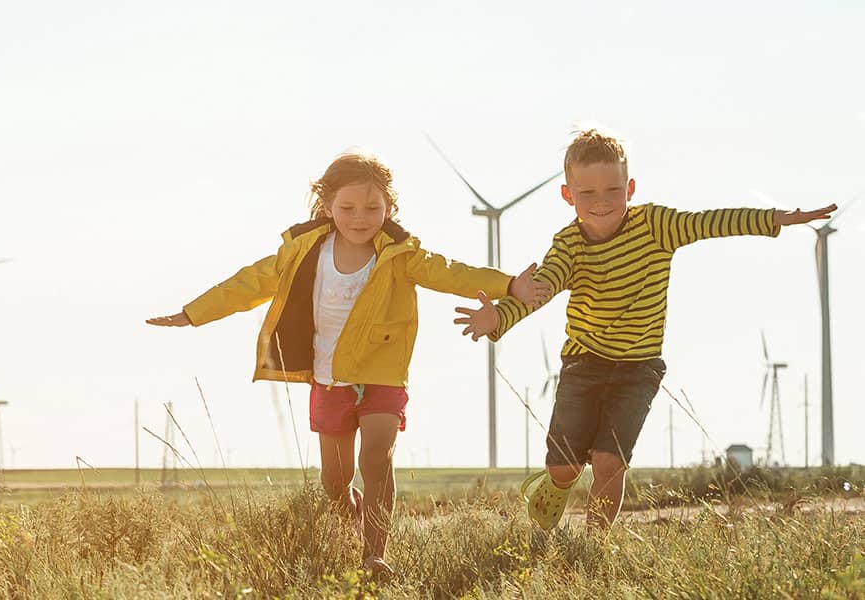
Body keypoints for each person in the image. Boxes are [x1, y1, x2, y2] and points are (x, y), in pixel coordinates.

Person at [147, 150, 547, 575]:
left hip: (382, 374)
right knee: (334, 484)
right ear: (328, 207)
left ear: (389, 207)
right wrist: (193, 313)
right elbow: (247, 282)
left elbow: (452, 273)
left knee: (375, 458)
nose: (361, 217)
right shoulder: (302, 250)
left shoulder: (400, 254)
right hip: (329, 377)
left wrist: (507, 284)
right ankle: (353, 515)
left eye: (374, 208)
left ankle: (375, 553)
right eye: (349, 208)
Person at [454, 127, 837, 531]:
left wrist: (773, 219)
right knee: (565, 467)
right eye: (588, 194)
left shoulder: (656, 225)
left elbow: (711, 223)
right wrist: (498, 317)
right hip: (583, 363)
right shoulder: (569, 244)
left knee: (609, 461)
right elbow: (541, 288)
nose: (601, 202)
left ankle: (595, 540)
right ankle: (556, 483)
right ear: (568, 195)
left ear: (630, 187)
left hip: (639, 368)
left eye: (612, 190)